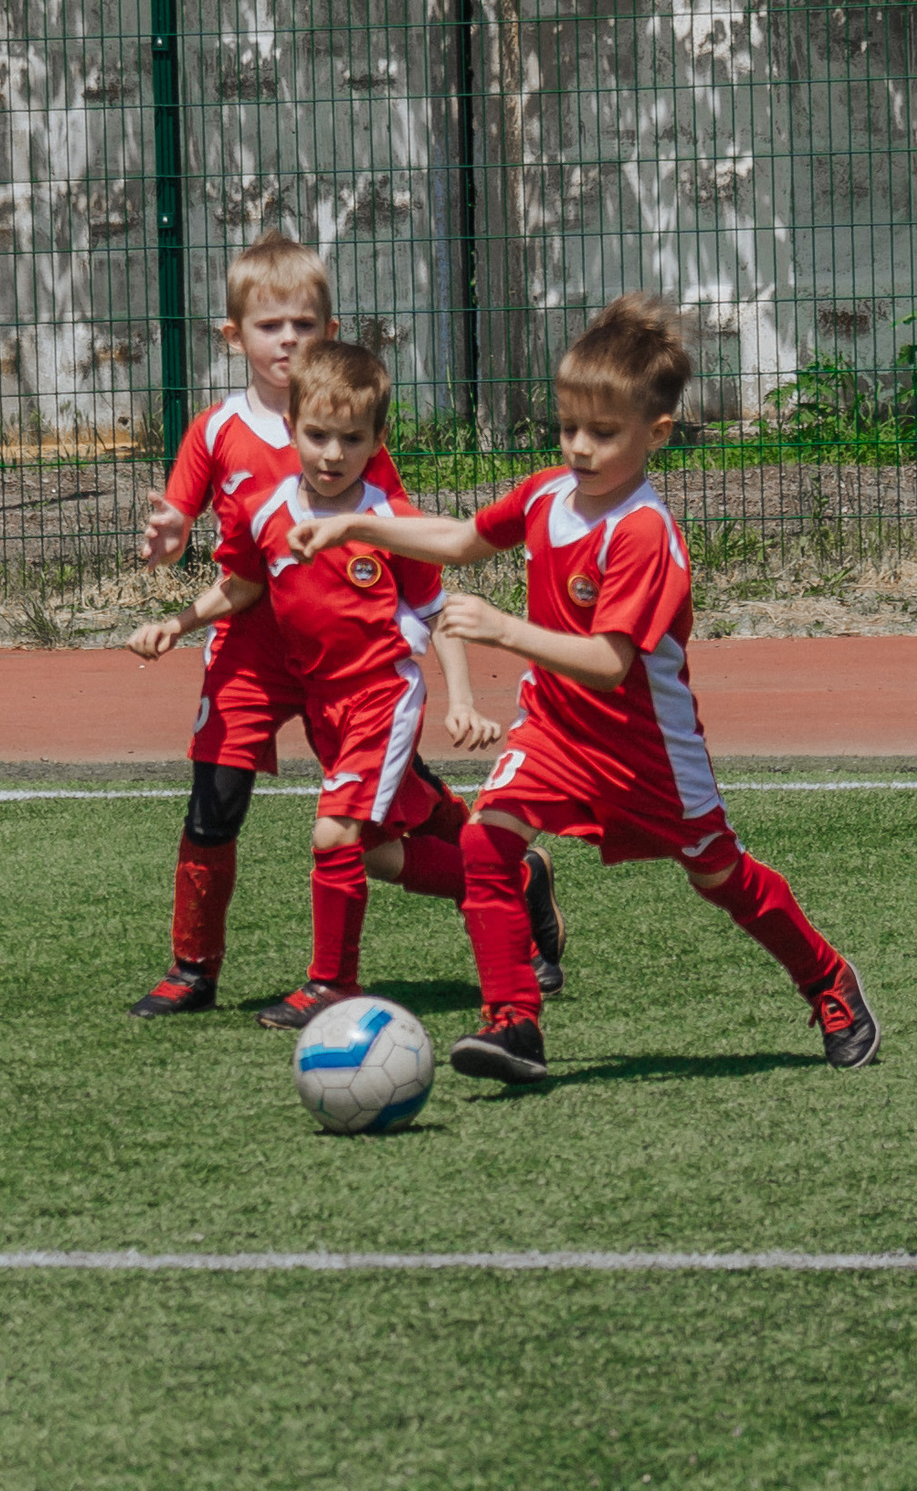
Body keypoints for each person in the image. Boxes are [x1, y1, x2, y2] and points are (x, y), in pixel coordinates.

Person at [288, 295, 877, 1083]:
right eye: (569, 427)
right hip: (556, 734)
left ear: (656, 433)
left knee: (720, 878)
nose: (580, 447)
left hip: (648, 755)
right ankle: (513, 1021)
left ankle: (826, 977)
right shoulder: (543, 495)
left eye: (604, 433)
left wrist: (501, 629)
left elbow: (609, 662)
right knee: (483, 843)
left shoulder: (643, 532)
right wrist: (356, 526)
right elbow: (462, 539)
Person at [124, 232, 506, 1017]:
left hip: (354, 662)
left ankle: (492, 874)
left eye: (304, 322)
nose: (287, 338)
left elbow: (416, 562)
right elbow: (200, 540)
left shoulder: (358, 445)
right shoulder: (217, 433)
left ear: (328, 332)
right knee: (215, 799)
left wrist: (458, 687)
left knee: (382, 828)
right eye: (270, 325)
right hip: (257, 647)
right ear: (236, 336)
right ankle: (193, 967)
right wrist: (167, 548)